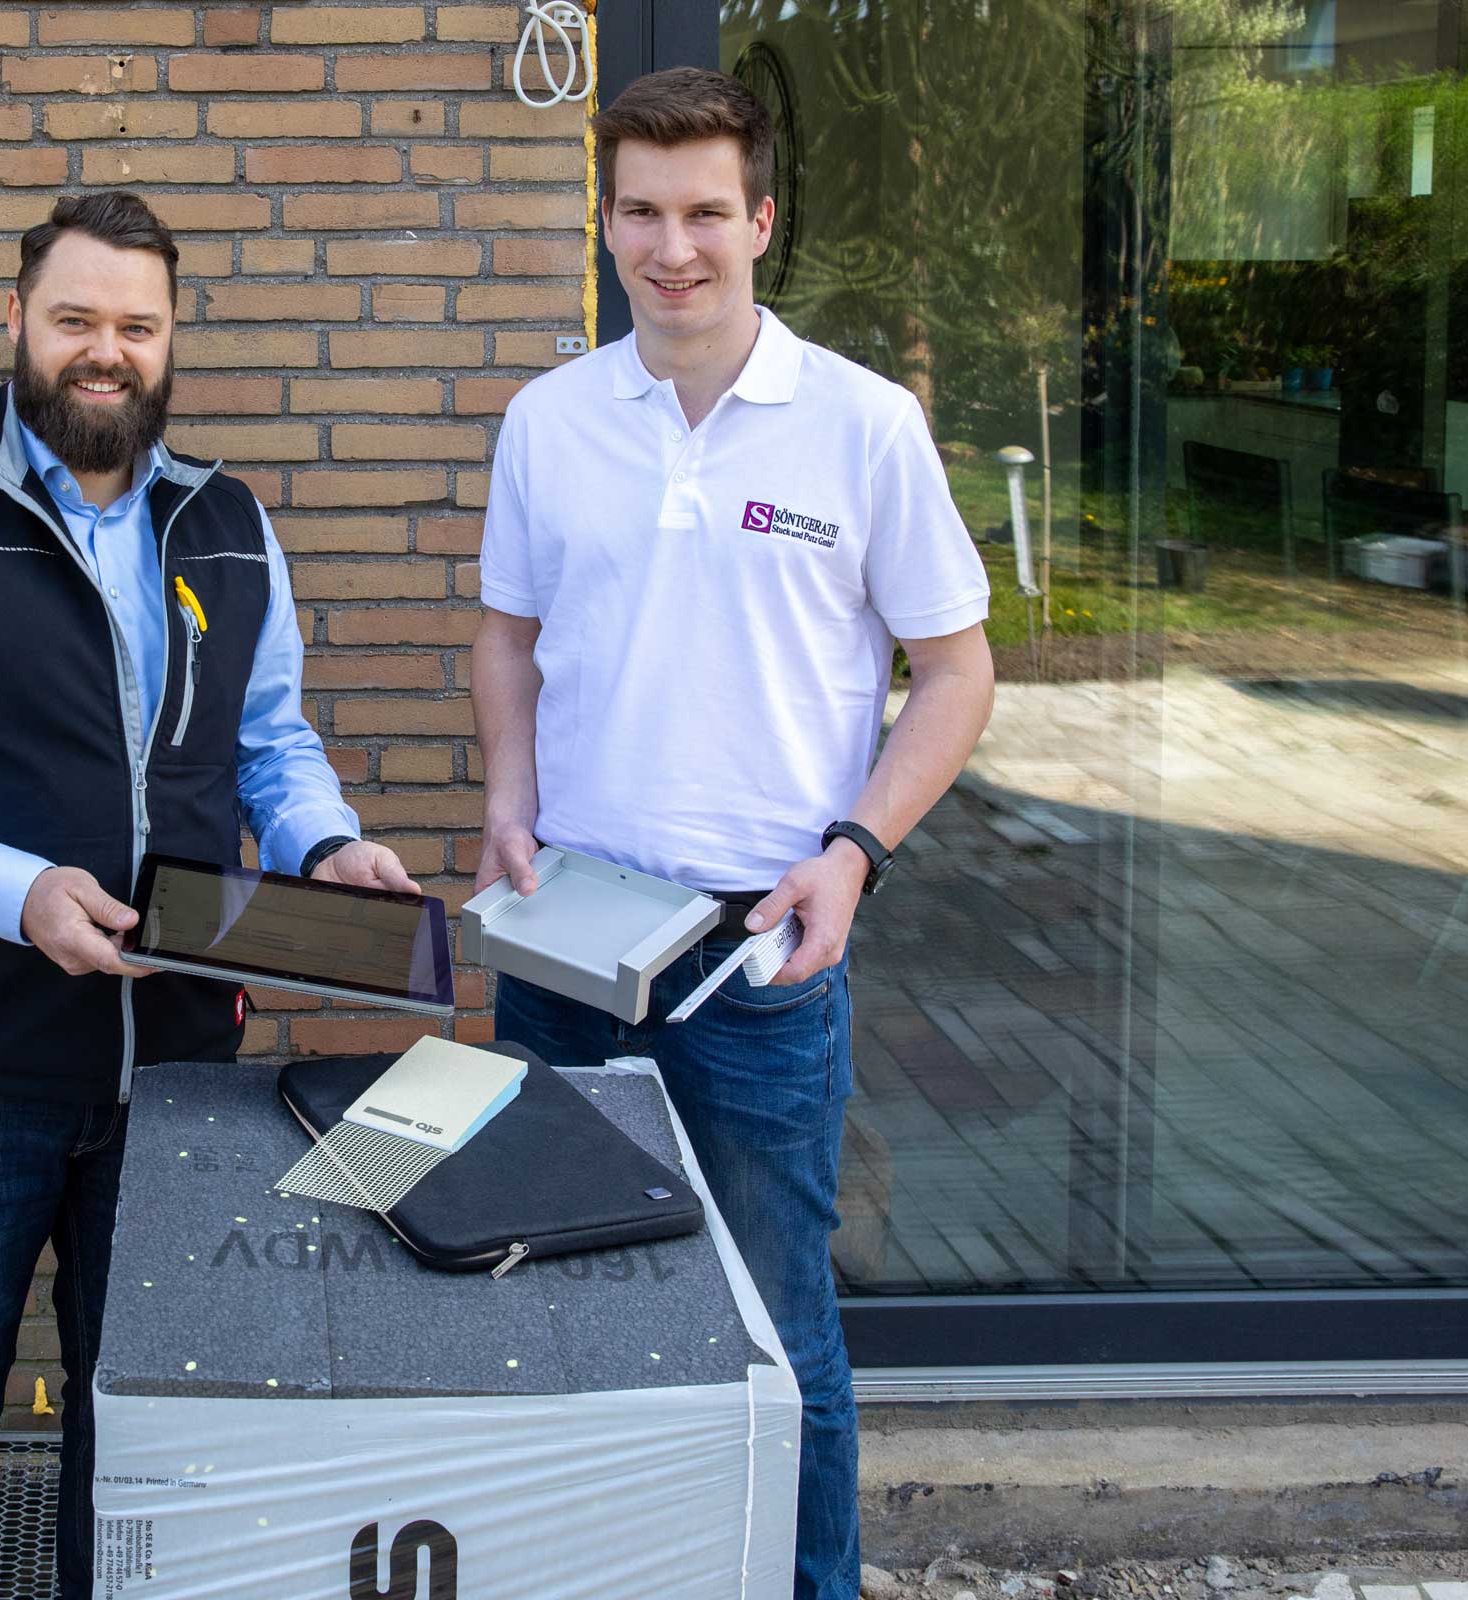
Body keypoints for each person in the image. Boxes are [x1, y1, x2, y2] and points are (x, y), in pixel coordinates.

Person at [0, 191, 417, 1600]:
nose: (103, 351)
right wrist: (13, 892)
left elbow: (271, 743)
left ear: (172, 342)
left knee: (142, 1447)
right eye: (75, 320)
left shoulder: (229, 523)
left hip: (179, 1075)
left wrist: (325, 851)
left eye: (137, 324)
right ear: (15, 323)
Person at [470, 67, 996, 1600]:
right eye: (640, 210)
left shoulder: (862, 424)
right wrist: (507, 795)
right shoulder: (550, 421)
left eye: (706, 210)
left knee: (781, 1331)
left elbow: (956, 669)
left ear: (762, 220)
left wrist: (856, 847)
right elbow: (508, 636)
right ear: (607, 221)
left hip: (762, 951)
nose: (672, 245)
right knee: (563, 1302)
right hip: (569, 931)